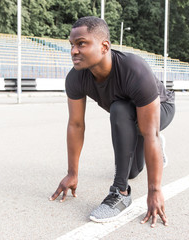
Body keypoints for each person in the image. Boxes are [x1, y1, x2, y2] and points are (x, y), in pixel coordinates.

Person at [49, 16, 175, 228]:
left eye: (81, 44)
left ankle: (120, 192)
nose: (73, 51)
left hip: (160, 109)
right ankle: (145, 154)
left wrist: (154, 191)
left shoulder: (133, 69)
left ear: (104, 46)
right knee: (133, 171)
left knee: (123, 110)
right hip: (131, 117)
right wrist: (72, 173)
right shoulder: (76, 77)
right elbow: (76, 125)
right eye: (71, 45)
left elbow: (150, 132)